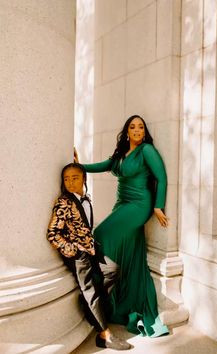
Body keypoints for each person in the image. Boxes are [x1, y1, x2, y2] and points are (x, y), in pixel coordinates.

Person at [74, 114, 169, 337]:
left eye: (141, 127)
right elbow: (102, 165)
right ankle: (120, 299)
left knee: (100, 233)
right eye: (133, 127)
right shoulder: (121, 154)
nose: (137, 130)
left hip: (139, 205)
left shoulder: (146, 150)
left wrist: (158, 206)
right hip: (122, 203)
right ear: (127, 131)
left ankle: (98, 286)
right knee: (130, 252)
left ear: (144, 132)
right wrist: (78, 166)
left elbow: (162, 177)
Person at [46, 163, 132, 350]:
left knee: (113, 270)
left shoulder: (85, 198)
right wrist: (73, 250)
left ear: (83, 178)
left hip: (91, 250)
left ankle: (90, 306)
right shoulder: (64, 202)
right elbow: (52, 233)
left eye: (74, 178)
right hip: (77, 255)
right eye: (66, 179)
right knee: (90, 290)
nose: (70, 182)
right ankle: (105, 335)